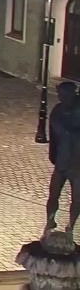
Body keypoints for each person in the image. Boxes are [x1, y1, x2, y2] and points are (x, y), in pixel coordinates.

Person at [45, 82, 80, 236]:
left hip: (77, 165)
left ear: (72, 94)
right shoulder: (58, 111)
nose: (61, 98)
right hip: (61, 161)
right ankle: (50, 222)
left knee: (77, 199)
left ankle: (71, 226)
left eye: (64, 95)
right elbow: (54, 135)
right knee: (53, 194)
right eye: (60, 95)